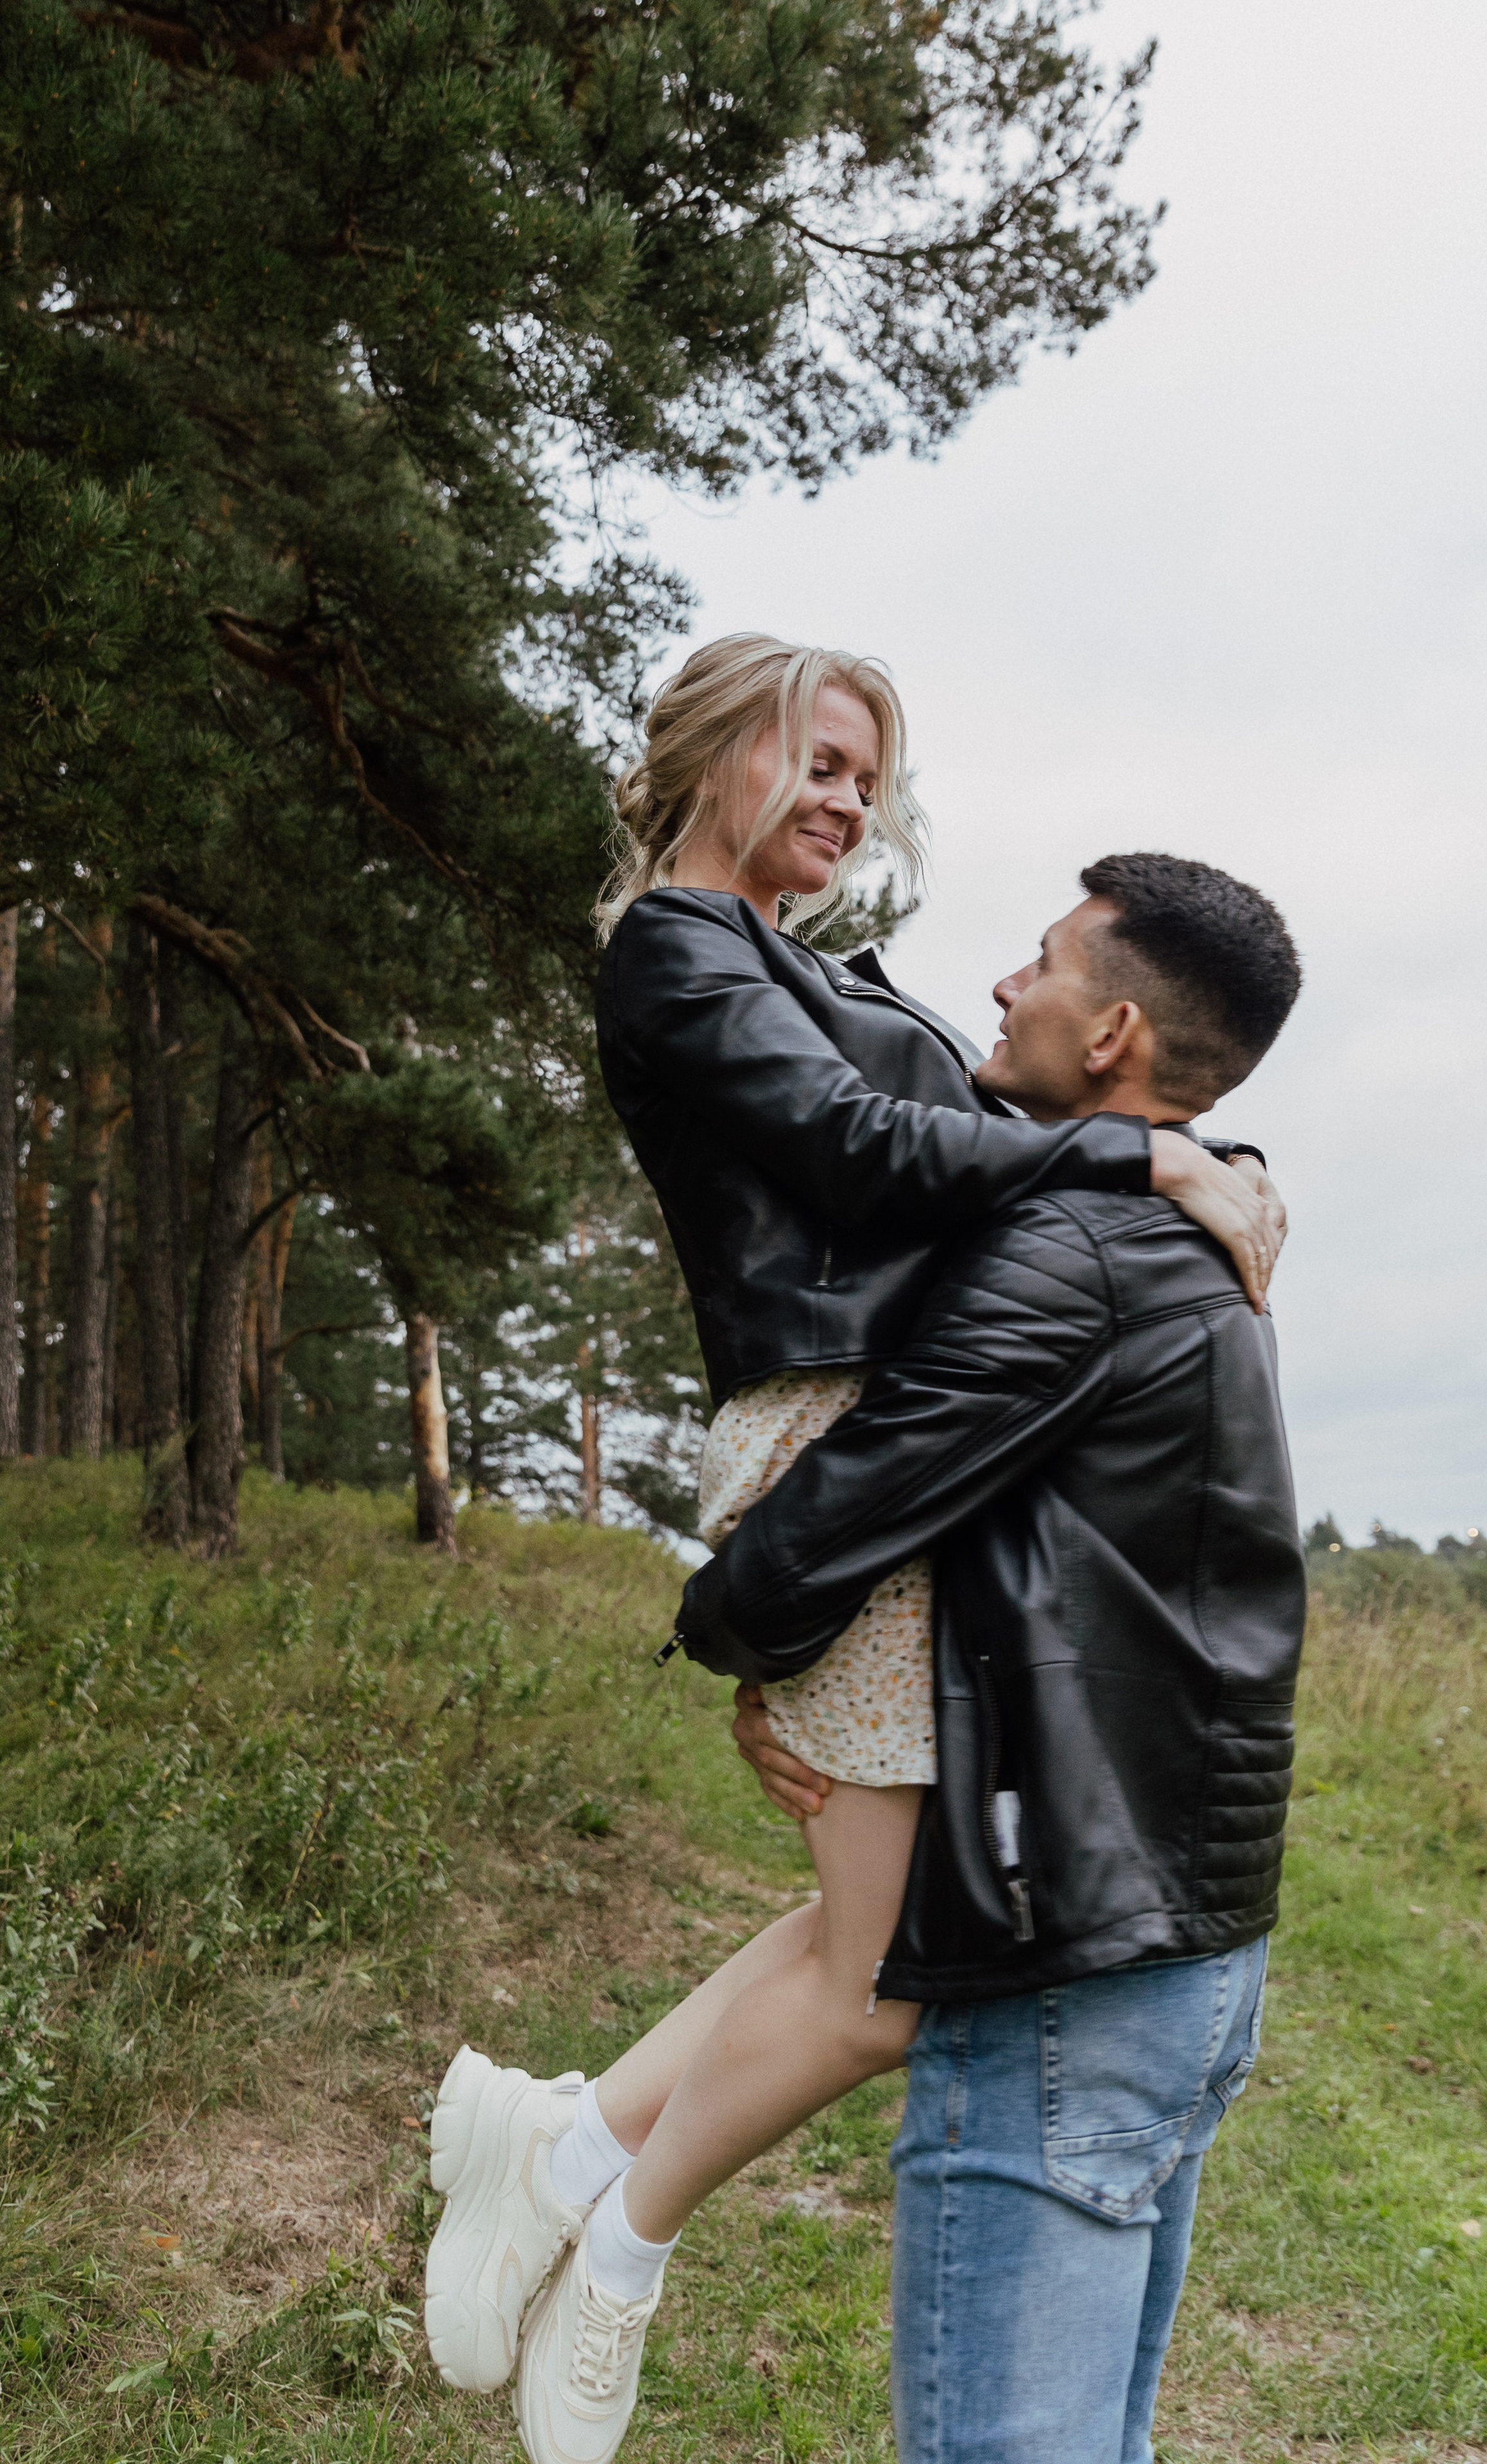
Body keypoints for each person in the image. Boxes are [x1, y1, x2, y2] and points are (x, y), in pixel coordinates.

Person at [421, 637, 1284, 2461]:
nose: (847, 801)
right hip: (828, 1425)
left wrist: (1219, 1159)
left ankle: (560, 2151)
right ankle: (613, 2234)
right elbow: (859, 1147)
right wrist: (1148, 1168)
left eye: (864, 778)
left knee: (868, 1924)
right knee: (888, 1978)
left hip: (884, 1436)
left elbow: (1007, 1129)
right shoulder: (676, 946)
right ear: (713, 752)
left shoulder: (806, 962)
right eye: (815, 761)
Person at [696, 852, 1308, 2462]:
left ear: (1109, 1034)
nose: (999, 985)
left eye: (1037, 962)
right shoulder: (1189, 1234)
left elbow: (836, 1514)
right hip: (1187, 1941)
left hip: (1069, 1970)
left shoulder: (1076, 1255)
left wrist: (743, 1649)